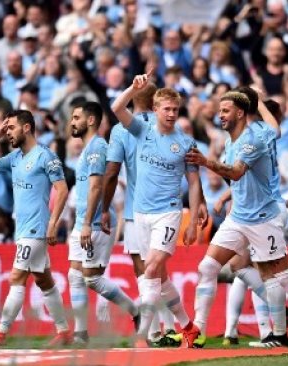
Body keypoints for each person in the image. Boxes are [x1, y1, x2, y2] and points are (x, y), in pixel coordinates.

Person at [184, 91, 288, 352]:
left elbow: (235, 172)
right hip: (238, 217)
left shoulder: (252, 139)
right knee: (208, 267)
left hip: (263, 219)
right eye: (219, 110)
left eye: (225, 110)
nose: (219, 115)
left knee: (281, 275)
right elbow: (274, 131)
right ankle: (198, 330)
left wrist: (205, 162)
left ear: (241, 113)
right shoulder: (235, 139)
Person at [112, 74, 203, 348]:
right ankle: (188, 327)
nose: (172, 114)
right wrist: (132, 88)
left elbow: (195, 183)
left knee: (150, 269)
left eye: (176, 110)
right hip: (140, 213)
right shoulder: (142, 130)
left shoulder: (186, 143)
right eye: (167, 109)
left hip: (169, 212)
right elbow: (117, 108)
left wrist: (192, 221)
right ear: (155, 109)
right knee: (159, 277)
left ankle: (143, 336)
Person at [0, 110, 72, 346]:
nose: (8, 133)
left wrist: (52, 223)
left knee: (17, 276)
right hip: (23, 229)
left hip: (36, 229)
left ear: (26, 128)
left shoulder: (45, 156)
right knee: (44, 280)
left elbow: (62, 189)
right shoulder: (15, 157)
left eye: (11, 128)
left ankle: (1, 331)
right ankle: (64, 332)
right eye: (6, 129)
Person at [102, 83, 178, 346]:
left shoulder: (122, 129)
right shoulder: (166, 127)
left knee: (145, 272)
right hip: (165, 207)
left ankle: (154, 331)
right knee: (158, 271)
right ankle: (171, 327)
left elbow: (112, 172)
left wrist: (104, 209)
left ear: (133, 97)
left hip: (137, 210)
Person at [67, 101, 139, 345]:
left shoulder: (97, 146)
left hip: (94, 223)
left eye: (76, 117)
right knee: (74, 275)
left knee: (92, 278)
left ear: (90, 120)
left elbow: (97, 186)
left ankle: (136, 311)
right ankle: (80, 333)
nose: (72, 122)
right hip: (82, 223)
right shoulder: (88, 148)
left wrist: (87, 223)